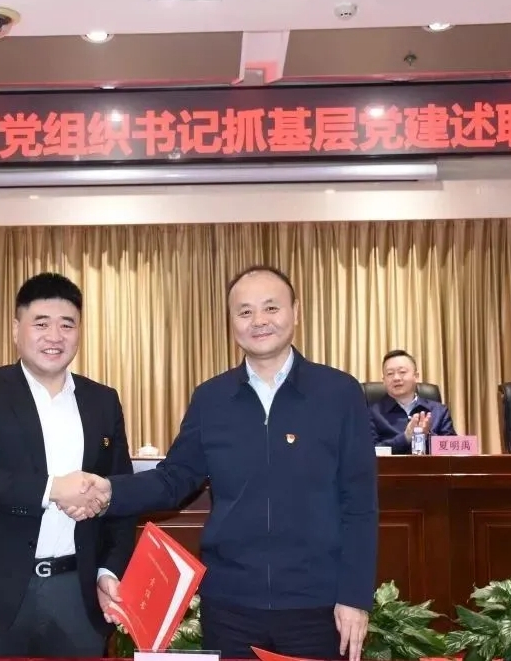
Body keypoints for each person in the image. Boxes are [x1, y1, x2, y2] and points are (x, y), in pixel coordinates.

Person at [68, 265, 378, 661]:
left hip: (317, 604)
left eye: (271, 307)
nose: (259, 320)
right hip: (231, 605)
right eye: (245, 311)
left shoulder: (339, 393)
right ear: (231, 322)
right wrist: (109, 491)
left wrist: (354, 596)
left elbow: (360, 503)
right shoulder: (211, 398)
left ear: (296, 312)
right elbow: (175, 478)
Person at [0, 272, 137, 657]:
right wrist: (53, 489)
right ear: (16, 329)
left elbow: (120, 496)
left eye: (67, 325)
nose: (55, 336)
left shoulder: (102, 400)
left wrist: (108, 570)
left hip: (77, 593)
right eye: (41, 324)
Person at [369, 349, 456, 454]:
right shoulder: (371, 413)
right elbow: (368, 451)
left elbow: (453, 450)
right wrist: (405, 438)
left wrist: (426, 436)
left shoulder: (439, 411)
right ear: (384, 381)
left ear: (416, 376)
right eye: (390, 373)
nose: (396, 378)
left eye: (402, 372)